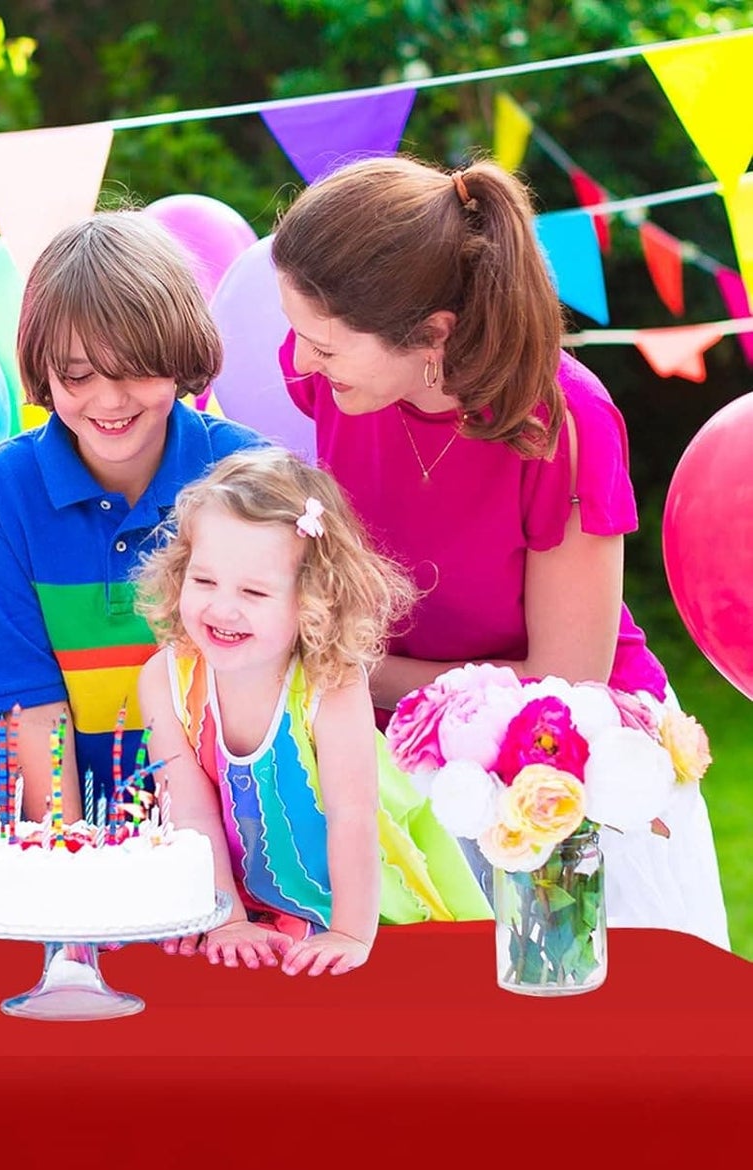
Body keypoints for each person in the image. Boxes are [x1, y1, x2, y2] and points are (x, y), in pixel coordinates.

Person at [269, 154, 727, 947]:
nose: (299, 363)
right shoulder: (342, 382)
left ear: (431, 336)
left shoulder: (565, 421)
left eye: (326, 345)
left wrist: (349, 668)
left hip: (561, 770)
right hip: (392, 758)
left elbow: (564, 678)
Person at [0, 210, 263, 826]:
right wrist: (73, 863)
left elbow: (283, 687)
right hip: (88, 834)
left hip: (242, 828)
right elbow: (33, 708)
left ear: (179, 355)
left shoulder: (248, 474)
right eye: (78, 375)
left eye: (134, 370)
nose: (110, 400)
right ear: (44, 370)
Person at [134, 448, 492, 977]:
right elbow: (192, 814)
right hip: (252, 898)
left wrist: (350, 933)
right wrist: (227, 919)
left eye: (254, 591)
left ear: (313, 600)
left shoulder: (330, 684)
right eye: (204, 580)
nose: (223, 608)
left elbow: (353, 817)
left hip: (366, 899)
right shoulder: (164, 681)